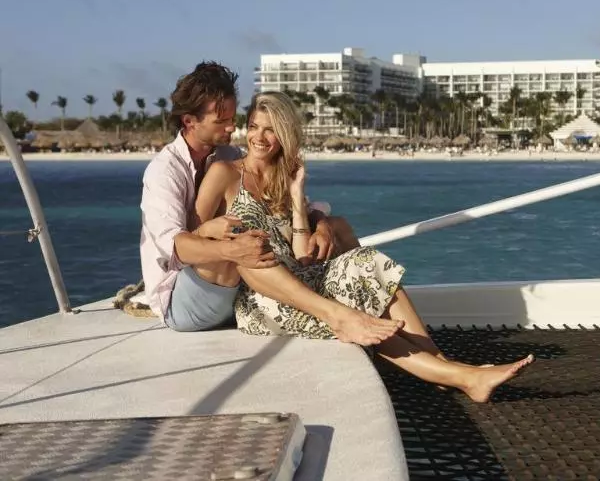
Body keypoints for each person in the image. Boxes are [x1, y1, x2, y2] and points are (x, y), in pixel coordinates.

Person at [194, 91, 534, 402]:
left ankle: (444, 367)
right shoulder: (225, 173)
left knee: (367, 260)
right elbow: (195, 236)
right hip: (264, 298)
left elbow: (301, 254)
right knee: (356, 308)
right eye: (254, 127)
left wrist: (297, 196)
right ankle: (459, 375)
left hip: (300, 278)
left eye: (270, 130)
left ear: (285, 134)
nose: (259, 137)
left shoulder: (285, 176)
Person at [140, 62, 401, 346]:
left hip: (236, 290)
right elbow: (176, 247)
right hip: (184, 299)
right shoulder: (164, 171)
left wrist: (321, 222)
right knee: (244, 241)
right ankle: (334, 315)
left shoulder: (227, 154)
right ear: (190, 121)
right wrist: (232, 248)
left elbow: (284, 207)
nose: (232, 127)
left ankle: (389, 327)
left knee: (334, 228)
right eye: (221, 120)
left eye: (234, 118)